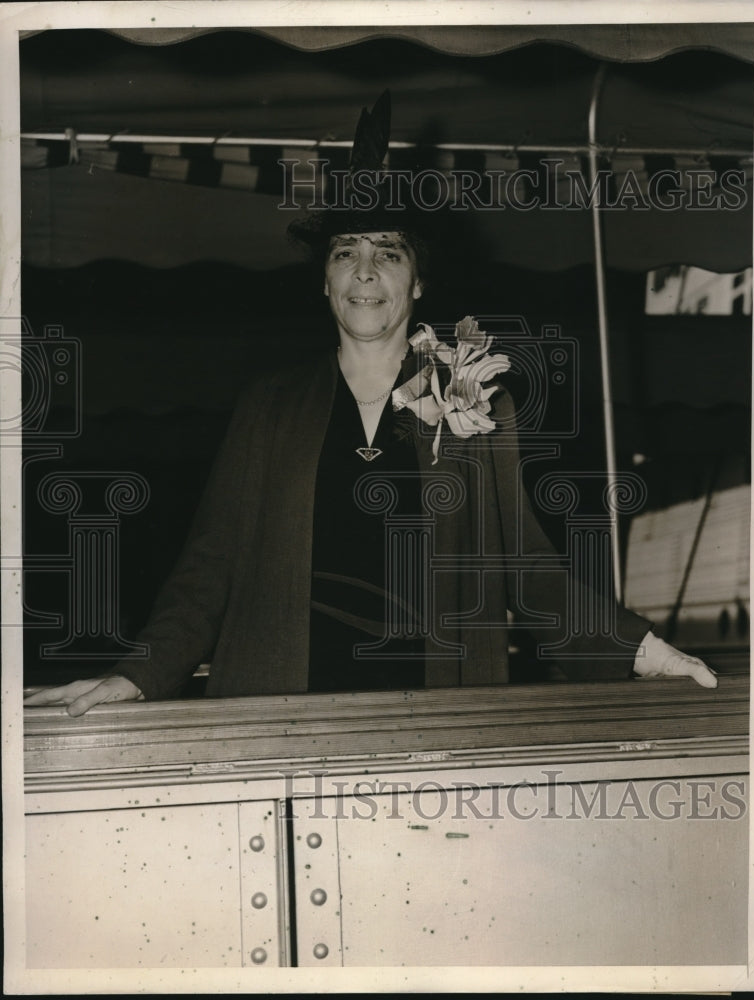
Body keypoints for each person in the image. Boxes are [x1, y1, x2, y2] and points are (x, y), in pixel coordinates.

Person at [24, 99, 717, 717]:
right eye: (345, 253)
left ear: (417, 283)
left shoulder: (476, 400)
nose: (364, 271)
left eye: (388, 252)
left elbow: (527, 569)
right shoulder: (269, 405)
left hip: (433, 720)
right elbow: (210, 569)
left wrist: (647, 651)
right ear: (324, 283)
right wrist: (137, 675)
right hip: (282, 717)